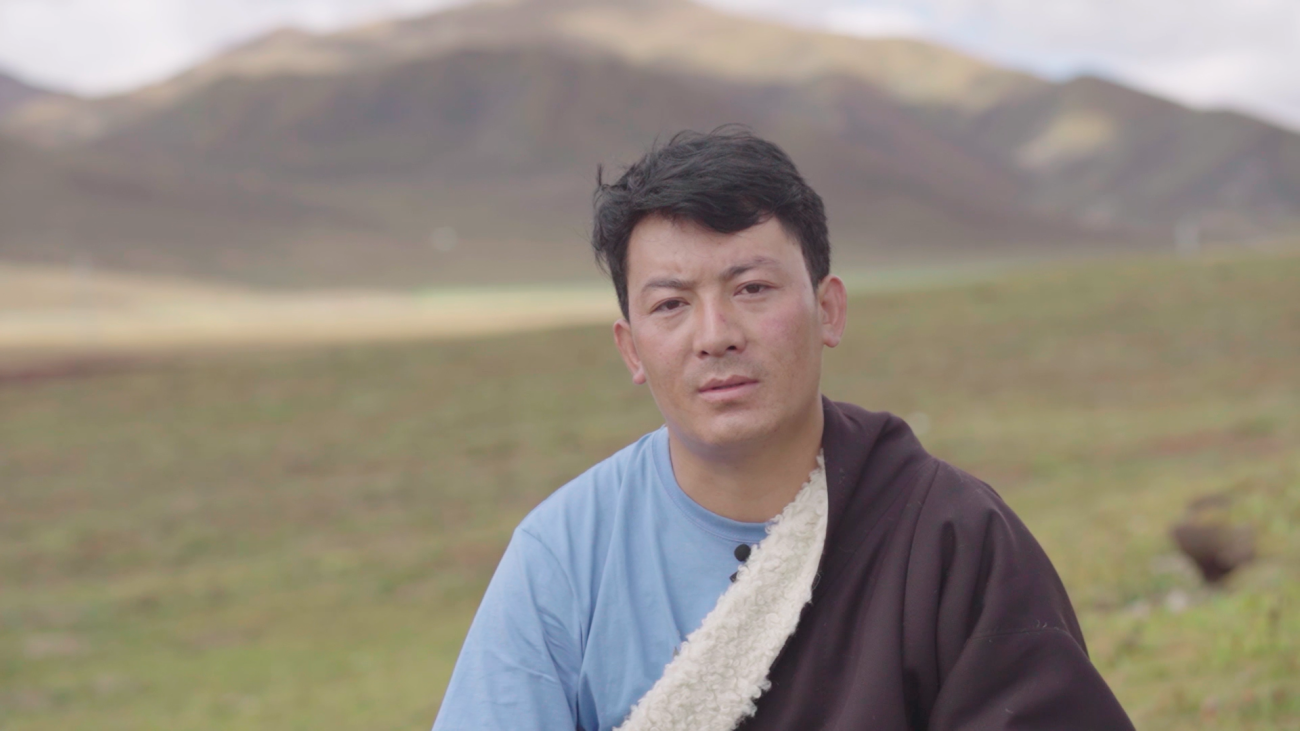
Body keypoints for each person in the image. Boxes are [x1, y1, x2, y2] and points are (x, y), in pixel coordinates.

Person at [432, 127, 1133, 731]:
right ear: (631, 349)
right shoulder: (562, 557)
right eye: (672, 304)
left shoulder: (951, 535)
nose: (715, 335)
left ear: (828, 309)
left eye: (752, 289)